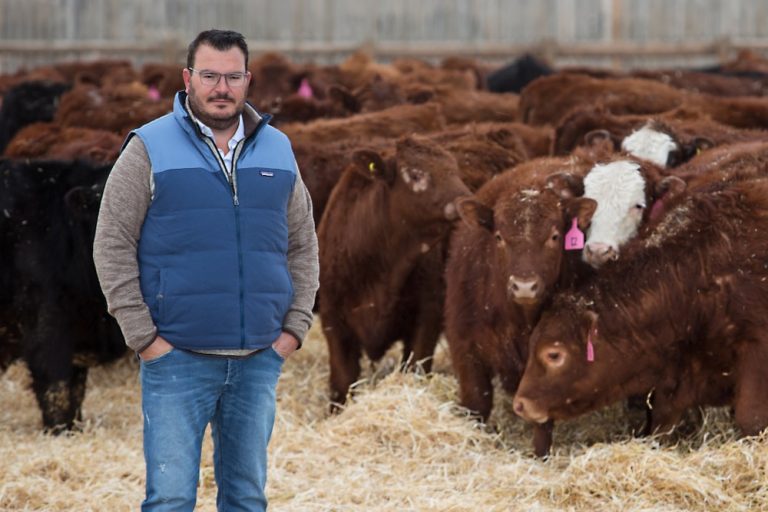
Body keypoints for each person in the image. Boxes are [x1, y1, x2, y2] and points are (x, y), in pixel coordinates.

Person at [93, 29, 319, 511]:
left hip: (259, 356)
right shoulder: (148, 147)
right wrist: (144, 338)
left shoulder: (278, 149)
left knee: (246, 497)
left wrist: (293, 329)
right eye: (210, 75)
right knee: (172, 499)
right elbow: (111, 244)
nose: (222, 88)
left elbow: (303, 243)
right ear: (188, 78)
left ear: (247, 80)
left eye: (232, 77)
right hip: (178, 357)